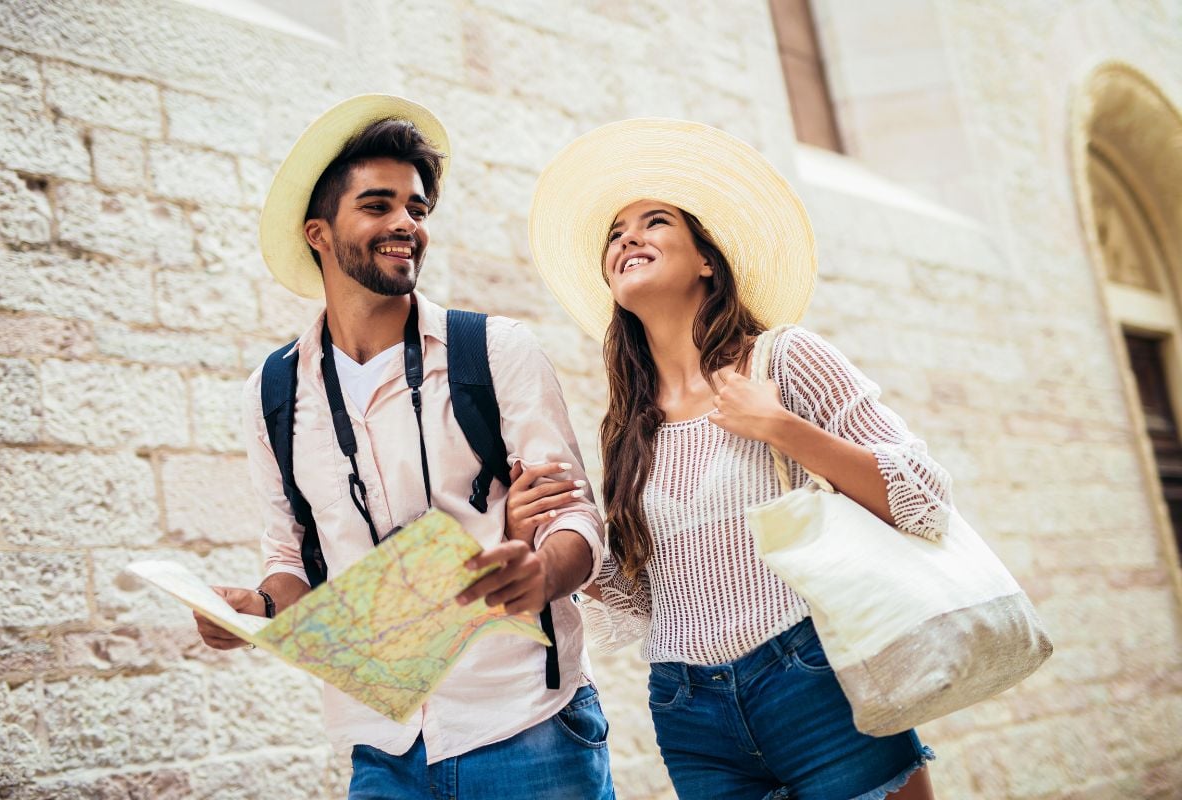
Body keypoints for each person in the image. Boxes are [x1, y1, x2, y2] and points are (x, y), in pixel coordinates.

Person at [193, 94, 615, 800]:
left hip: (527, 728)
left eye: (417, 209)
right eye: (378, 205)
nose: (405, 225)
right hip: (380, 750)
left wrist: (541, 575)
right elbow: (290, 560)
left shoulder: (497, 350)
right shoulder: (270, 392)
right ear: (318, 233)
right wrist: (256, 612)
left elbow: (578, 521)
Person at [514, 118, 950, 799]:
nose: (627, 237)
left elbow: (923, 498)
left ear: (707, 260)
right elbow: (640, 602)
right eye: (614, 233)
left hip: (814, 676)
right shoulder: (628, 426)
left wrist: (783, 428)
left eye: (654, 221)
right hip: (691, 712)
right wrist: (551, 531)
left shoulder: (785, 358)